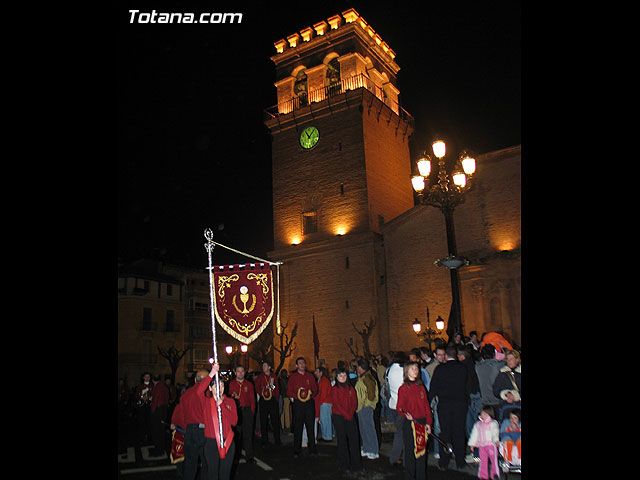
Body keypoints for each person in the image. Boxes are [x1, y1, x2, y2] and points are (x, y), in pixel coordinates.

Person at [428, 345, 468, 471]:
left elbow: (433, 388)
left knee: (445, 433)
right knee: (459, 431)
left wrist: (428, 402)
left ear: (446, 355)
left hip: (444, 404)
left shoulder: (440, 369)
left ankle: (444, 461)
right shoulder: (463, 368)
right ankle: (460, 461)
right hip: (460, 403)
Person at [170, 369, 210, 480]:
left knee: (190, 463)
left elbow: (180, 412)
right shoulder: (206, 393)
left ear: (194, 380)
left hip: (189, 430)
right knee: (206, 462)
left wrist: (178, 425)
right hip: (203, 430)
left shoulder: (186, 394)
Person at [396, 361, 433, 480]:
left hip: (421, 422)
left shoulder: (421, 387)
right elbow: (400, 407)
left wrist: (428, 423)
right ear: (407, 371)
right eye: (412, 369)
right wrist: (406, 414)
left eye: (417, 368)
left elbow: (426, 407)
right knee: (410, 453)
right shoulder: (403, 388)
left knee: (422, 452)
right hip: (411, 423)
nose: (415, 371)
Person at [201, 363, 237, 480]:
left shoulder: (230, 402)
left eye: (222, 385)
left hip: (228, 442)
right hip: (211, 443)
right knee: (212, 475)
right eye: (216, 386)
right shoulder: (206, 402)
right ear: (210, 388)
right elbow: (198, 391)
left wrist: (222, 405)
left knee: (225, 475)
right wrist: (211, 373)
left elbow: (234, 421)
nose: (220, 388)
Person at [331, 366, 363, 474]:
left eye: (344, 375)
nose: (343, 377)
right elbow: (337, 404)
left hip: (350, 416)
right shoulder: (335, 389)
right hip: (339, 417)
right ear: (337, 377)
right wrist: (346, 414)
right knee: (342, 441)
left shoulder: (350, 388)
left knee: (354, 440)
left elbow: (354, 402)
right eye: (340, 376)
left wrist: (351, 413)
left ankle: (357, 464)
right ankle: (344, 464)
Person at [287, 356, 318, 457]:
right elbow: (289, 391)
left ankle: (312, 448)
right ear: (296, 366)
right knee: (298, 426)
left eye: (303, 363)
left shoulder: (310, 375)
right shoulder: (293, 377)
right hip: (298, 404)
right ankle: (297, 449)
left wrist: (310, 394)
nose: (302, 365)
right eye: (300, 363)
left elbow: (315, 388)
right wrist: (298, 396)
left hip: (309, 403)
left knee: (310, 426)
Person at [227, 364, 256, 463]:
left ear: (245, 372)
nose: (240, 373)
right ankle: (235, 456)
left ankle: (249, 456)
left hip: (247, 411)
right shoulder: (231, 384)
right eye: (238, 371)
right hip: (236, 411)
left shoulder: (249, 384)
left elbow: (253, 399)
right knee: (236, 435)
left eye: (242, 371)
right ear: (235, 373)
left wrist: (252, 411)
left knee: (248, 434)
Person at [355, 357, 379, 459]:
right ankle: (366, 448)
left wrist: (366, 404)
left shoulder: (367, 378)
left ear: (360, 367)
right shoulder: (365, 377)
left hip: (365, 407)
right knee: (364, 428)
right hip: (362, 407)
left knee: (369, 428)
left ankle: (373, 450)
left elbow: (371, 394)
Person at [467, 405, 500, 480]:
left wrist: (496, 440)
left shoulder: (493, 423)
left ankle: (495, 474)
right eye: (482, 413)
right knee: (483, 461)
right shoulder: (478, 424)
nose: (482, 415)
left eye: (485, 414)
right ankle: (483, 475)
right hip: (482, 446)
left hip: (491, 445)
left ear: (489, 415)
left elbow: (495, 432)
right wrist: (472, 444)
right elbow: (474, 435)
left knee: (494, 461)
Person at [254, 361, 282, 447]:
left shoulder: (273, 376)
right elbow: (257, 387)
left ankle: (277, 440)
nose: (263, 367)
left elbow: (276, 388)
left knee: (275, 420)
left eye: (265, 366)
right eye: (263, 366)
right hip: (264, 400)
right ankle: (264, 441)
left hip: (272, 400)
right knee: (263, 420)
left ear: (269, 367)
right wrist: (262, 393)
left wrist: (276, 398)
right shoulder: (260, 377)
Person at [458, 346, 483, 440]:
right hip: (477, 394)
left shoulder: (462, 367)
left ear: (463, 356)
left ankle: (473, 445)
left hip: (469, 396)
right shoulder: (475, 365)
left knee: (470, 423)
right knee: (478, 421)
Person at [387, 351, 407, 466]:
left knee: (400, 431)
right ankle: (396, 458)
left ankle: (398, 457)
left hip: (393, 404)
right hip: (403, 405)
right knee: (402, 433)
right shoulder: (402, 370)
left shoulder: (389, 370)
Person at [475, 344, 505, 414]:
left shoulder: (478, 367)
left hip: (485, 400)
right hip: (497, 400)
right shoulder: (498, 365)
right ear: (494, 354)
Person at [150, 374, 169, 456]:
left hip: (158, 411)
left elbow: (155, 400)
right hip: (163, 410)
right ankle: (161, 449)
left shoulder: (157, 387)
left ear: (153, 380)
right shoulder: (164, 387)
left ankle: (158, 450)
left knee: (157, 431)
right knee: (161, 431)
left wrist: (153, 411)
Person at [314, 367, 333, 442]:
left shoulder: (324, 381)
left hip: (325, 402)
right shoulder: (322, 380)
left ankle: (327, 437)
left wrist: (319, 402)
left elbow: (323, 394)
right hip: (324, 402)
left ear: (321, 373)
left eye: (317, 371)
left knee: (325, 420)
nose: (315, 373)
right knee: (324, 420)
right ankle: (326, 436)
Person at [134, 372, 153, 445]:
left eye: (148, 376)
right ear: (143, 378)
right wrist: (142, 397)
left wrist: (151, 398)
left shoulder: (152, 386)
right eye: (146, 376)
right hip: (142, 407)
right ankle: (142, 437)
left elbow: (153, 395)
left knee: (149, 422)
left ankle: (149, 436)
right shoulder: (140, 386)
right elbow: (137, 395)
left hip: (149, 406)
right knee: (142, 422)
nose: (147, 378)